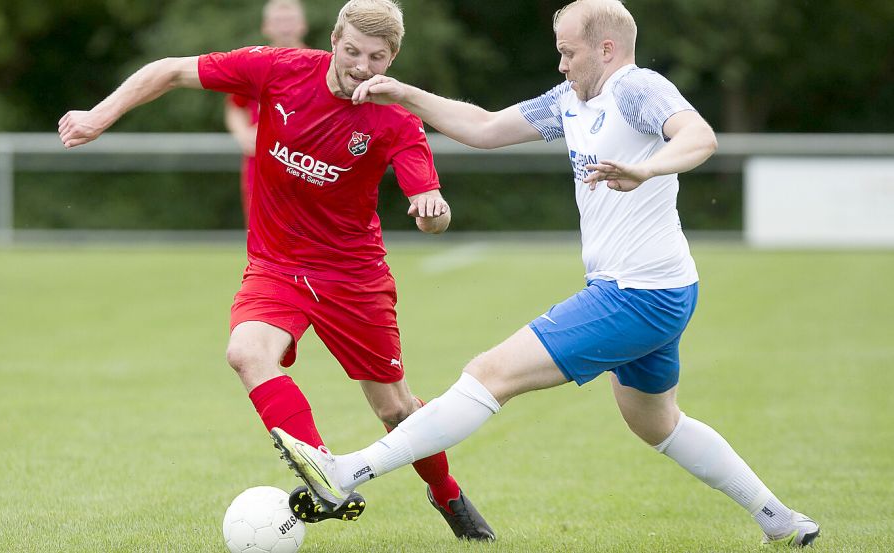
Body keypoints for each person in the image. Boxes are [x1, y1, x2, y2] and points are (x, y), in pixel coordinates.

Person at [270, 0, 820, 547]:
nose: (560, 64)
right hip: (660, 289)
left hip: (637, 294)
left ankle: (347, 471)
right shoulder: (570, 100)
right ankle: (779, 519)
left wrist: (645, 168)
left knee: (489, 374)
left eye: (568, 52)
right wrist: (406, 93)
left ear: (606, 50)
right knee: (657, 423)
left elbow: (699, 136)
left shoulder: (635, 88)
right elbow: (484, 128)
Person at [57, 0, 496, 542]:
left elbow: (432, 205)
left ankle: (448, 496)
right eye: (352, 50)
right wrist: (99, 117)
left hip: (353, 279)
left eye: (376, 58)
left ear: (393, 57)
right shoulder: (279, 68)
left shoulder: (396, 120)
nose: (361, 66)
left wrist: (433, 213)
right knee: (245, 352)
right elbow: (167, 69)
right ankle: (326, 477)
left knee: (395, 408)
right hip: (277, 266)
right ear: (333, 38)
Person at [224, 0, 308, 224]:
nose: (285, 26)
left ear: (303, 25)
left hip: (305, 165)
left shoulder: (320, 66)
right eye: (278, 20)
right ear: (266, 27)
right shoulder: (255, 64)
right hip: (261, 164)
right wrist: (242, 134)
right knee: (260, 232)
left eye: (290, 20)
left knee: (306, 233)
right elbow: (235, 108)